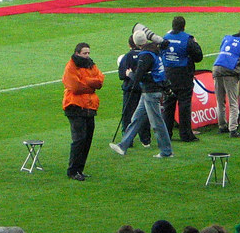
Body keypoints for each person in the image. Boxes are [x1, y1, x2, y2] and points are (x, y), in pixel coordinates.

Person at [111, 28, 174, 158]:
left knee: (157, 123)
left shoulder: (145, 55)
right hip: (151, 90)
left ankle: (166, 151)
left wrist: (130, 74)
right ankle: (123, 145)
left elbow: (139, 76)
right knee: (136, 119)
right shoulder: (154, 50)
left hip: (151, 91)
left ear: (135, 42)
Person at [62, 42, 104, 181]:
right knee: (79, 140)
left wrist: (86, 81)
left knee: (87, 140)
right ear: (77, 53)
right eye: (84, 53)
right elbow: (75, 87)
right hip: (74, 106)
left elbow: (100, 81)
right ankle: (73, 170)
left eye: (88, 53)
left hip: (89, 107)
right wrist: (90, 85)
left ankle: (79, 169)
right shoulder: (71, 67)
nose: (87, 55)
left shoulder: (91, 64)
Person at [163, 16, 204, 143]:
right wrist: (196, 43)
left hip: (168, 75)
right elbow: (198, 57)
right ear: (184, 26)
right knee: (184, 106)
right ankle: (186, 134)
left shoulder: (165, 38)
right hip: (183, 76)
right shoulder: (187, 39)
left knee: (168, 106)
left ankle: (166, 134)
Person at [213, 28, 240, 138]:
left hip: (217, 68)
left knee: (220, 100)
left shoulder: (227, 38)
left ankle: (222, 126)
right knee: (233, 102)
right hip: (230, 70)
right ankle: (233, 129)